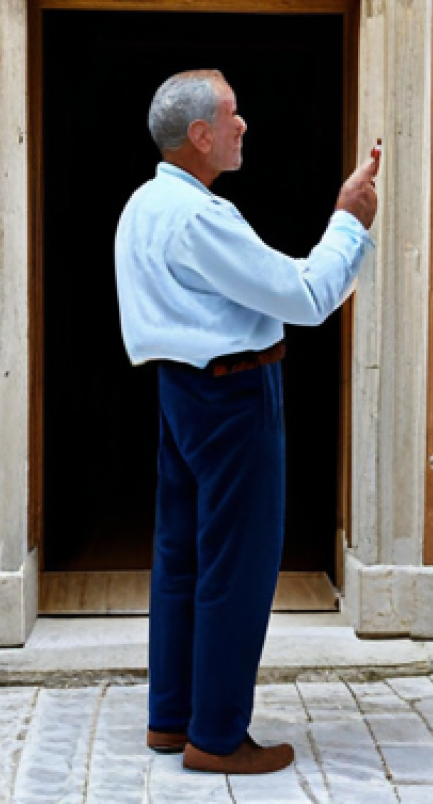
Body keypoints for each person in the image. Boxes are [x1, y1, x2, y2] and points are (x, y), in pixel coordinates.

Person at [114, 69, 379, 776]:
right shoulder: (200, 217)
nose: (243, 126)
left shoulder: (142, 206)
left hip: (180, 391)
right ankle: (220, 736)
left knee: (181, 560)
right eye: (232, 116)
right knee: (237, 565)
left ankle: (172, 720)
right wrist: (350, 219)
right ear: (199, 135)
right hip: (232, 396)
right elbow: (307, 295)